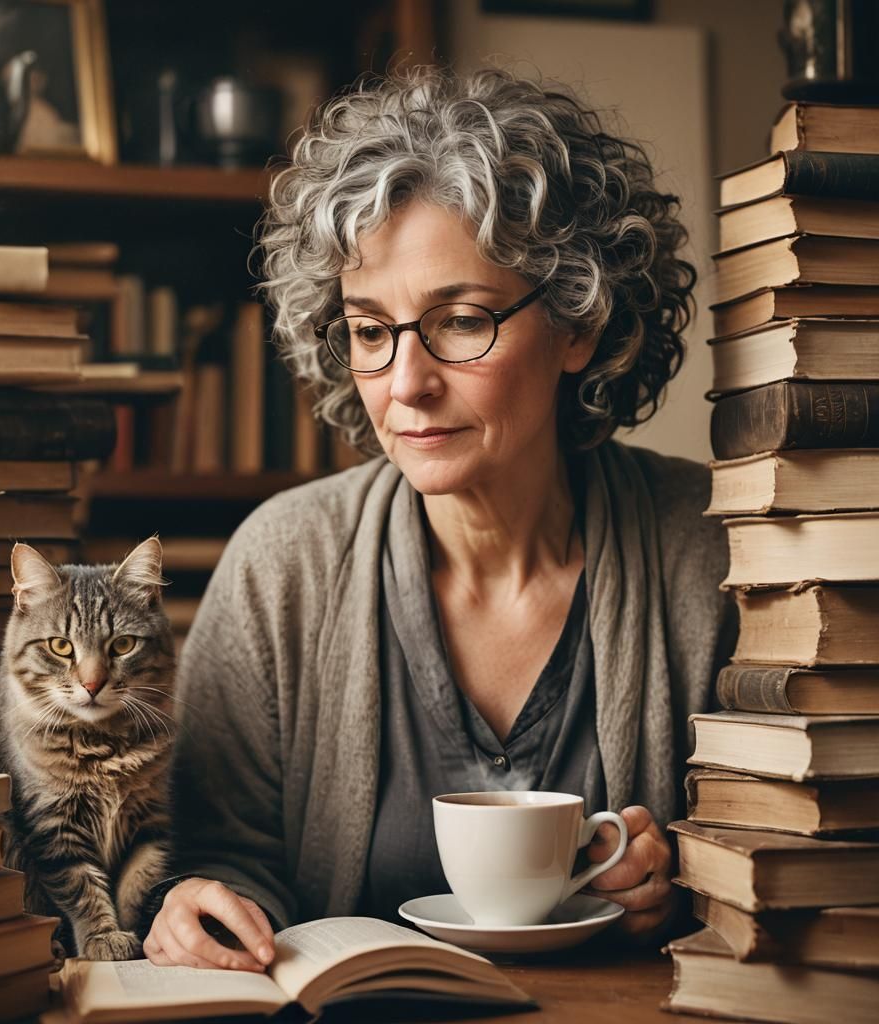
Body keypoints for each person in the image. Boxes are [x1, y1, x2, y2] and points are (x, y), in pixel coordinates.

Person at [143, 65, 734, 973]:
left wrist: (689, 882)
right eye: (371, 331)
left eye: (459, 321)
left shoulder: (715, 549)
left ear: (580, 322)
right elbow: (223, 860)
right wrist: (196, 908)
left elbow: (802, 865)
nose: (407, 385)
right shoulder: (281, 564)